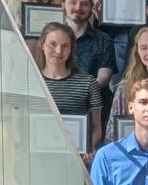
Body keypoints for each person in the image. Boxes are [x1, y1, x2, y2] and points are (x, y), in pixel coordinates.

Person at [38, 21, 104, 155]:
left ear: (71, 49)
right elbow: (17, 127)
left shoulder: (88, 83)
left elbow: (97, 128)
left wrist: (88, 148)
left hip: (75, 160)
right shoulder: (28, 82)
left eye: (65, 46)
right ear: (42, 44)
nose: (58, 51)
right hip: (36, 158)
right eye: (53, 44)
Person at [62, 0, 114, 91]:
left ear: (91, 7)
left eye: (84, 4)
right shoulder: (52, 40)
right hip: (58, 102)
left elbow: (103, 78)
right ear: (63, 5)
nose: (78, 8)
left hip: (95, 104)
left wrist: (78, 95)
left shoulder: (104, 40)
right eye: (73, 2)